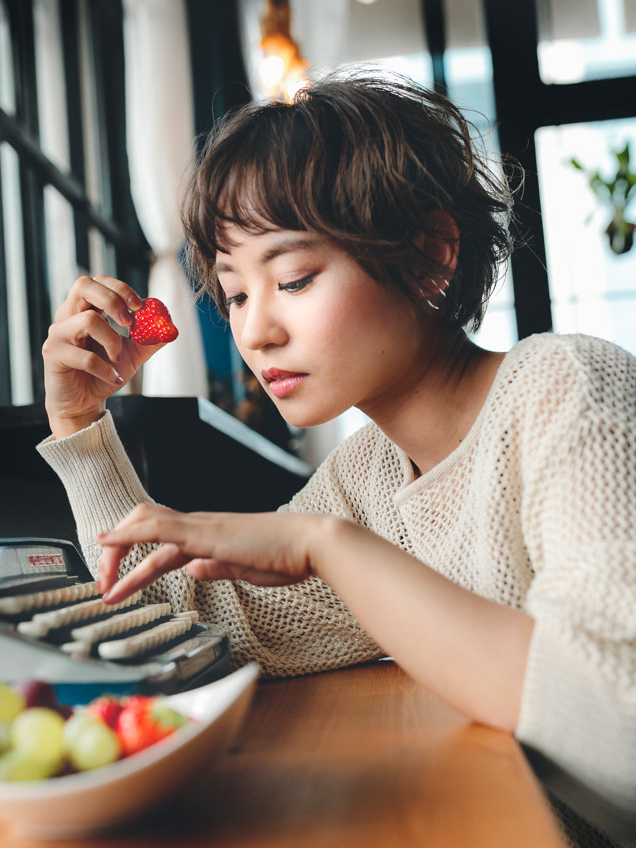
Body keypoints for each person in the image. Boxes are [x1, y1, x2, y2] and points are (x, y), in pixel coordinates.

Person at [38, 71, 634, 846]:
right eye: (237, 293)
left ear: (430, 253)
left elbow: (616, 720)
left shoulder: (568, 390)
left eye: (293, 278)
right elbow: (185, 622)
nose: (255, 334)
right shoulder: (370, 476)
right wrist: (80, 423)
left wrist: (327, 547)